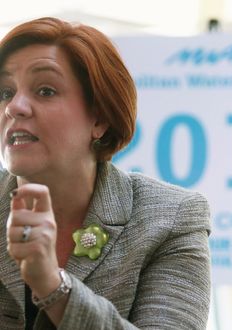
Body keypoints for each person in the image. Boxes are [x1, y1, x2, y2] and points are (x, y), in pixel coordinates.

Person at [0, 17, 211, 330]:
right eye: (5, 92)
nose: (14, 107)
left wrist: (52, 285)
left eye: (45, 91)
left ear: (99, 119)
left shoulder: (171, 217)